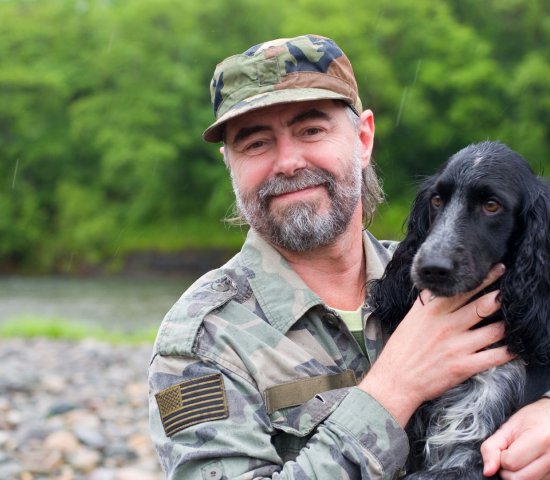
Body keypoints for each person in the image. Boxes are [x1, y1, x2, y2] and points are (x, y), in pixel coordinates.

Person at [148, 34, 550, 479]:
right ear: (231, 164)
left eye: (311, 130)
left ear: (363, 138)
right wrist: (393, 389)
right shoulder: (200, 344)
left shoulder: (454, 274)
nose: (288, 162)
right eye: (255, 143)